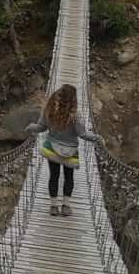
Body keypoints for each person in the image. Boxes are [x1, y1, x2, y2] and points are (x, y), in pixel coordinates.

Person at [25, 84, 103, 216]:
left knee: (54, 176)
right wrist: (97, 138)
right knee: (69, 177)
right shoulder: (75, 116)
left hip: (52, 150)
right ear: (73, 99)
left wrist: (31, 127)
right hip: (70, 151)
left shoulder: (49, 110)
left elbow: (41, 127)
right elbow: (83, 134)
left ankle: (53, 207)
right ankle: (66, 206)